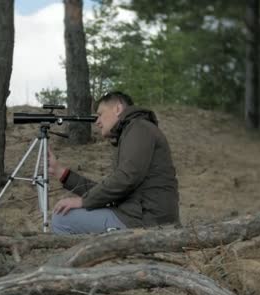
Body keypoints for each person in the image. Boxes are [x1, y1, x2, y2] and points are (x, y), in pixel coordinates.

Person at [48, 91, 180, 235]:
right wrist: (61, 173)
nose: (97, 121)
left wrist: (83, 201)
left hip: (146, 222)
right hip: (137, 215)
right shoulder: (133, 132)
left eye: (100, 114)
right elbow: (112, 189)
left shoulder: (139, 128)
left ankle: (88, 256)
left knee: (61, 219)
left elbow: (126, 178)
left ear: (117, 109)